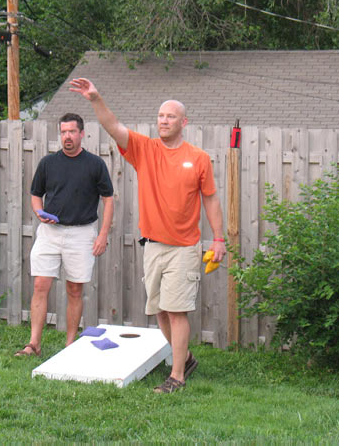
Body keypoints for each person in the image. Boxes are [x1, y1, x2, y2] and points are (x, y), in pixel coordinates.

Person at [70, 78, 226, 393]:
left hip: (184, 247)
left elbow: (210, 198)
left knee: (177, 310)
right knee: (160, 311)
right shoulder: (145, 150)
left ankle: (177, 376)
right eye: (160, 116)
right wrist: (96, 99)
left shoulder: (198, 158)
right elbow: (113, 126)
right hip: (153, 245)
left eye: (170, 116)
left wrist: (219, 239)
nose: (163, 120)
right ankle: (187, 358)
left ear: (184, 122)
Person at [15, 113, 114, 357]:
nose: (67, 137)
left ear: (82, 133)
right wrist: (39, 212)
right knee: (40, 284)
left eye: (71, 132)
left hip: (81, 233)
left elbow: (108, 200)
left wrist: (102, 235)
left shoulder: (95, 165)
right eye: (63, 132)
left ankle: (70, 345)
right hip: (50, 232)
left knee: (74, 290)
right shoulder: (48, 163)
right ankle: (33, 344)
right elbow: (36, 194)